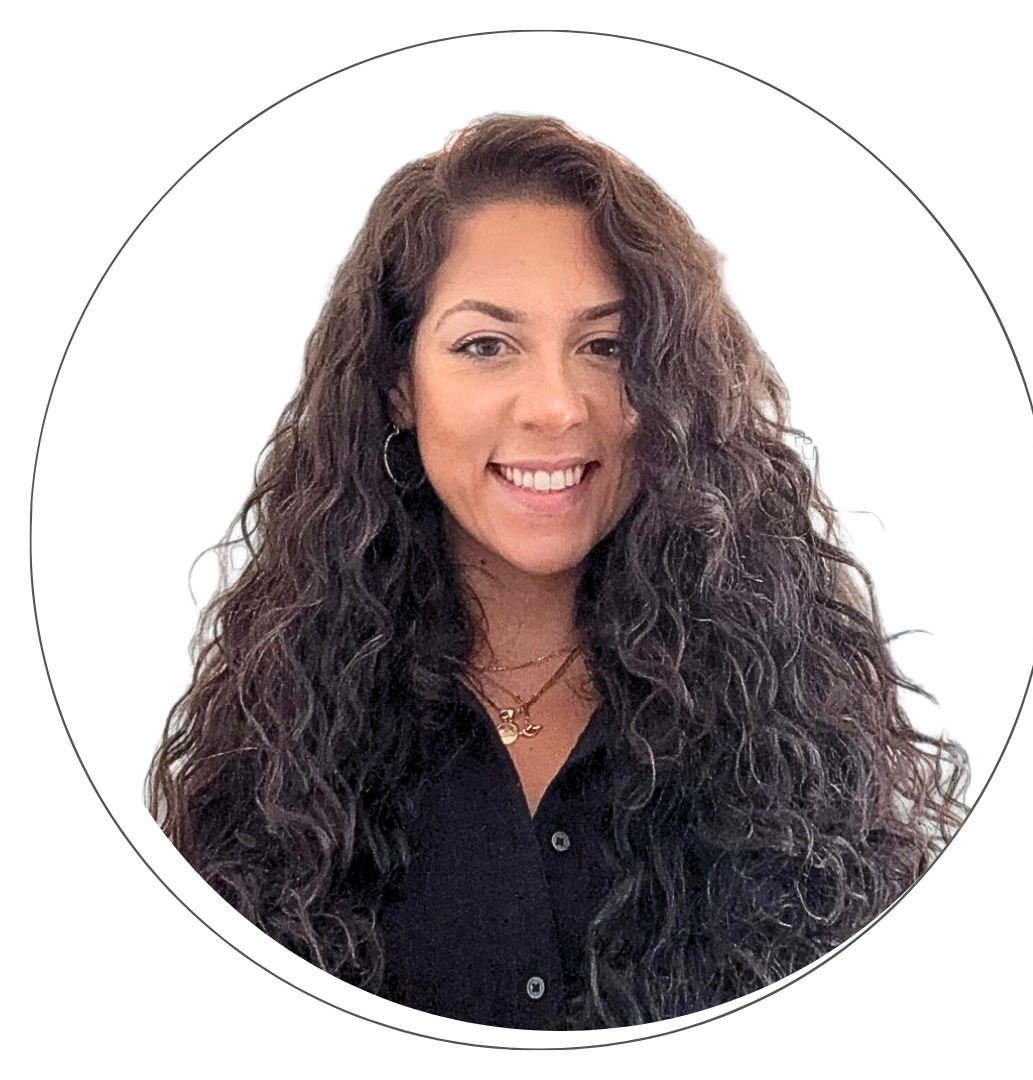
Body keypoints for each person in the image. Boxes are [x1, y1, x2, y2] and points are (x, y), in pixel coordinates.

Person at [146, 114, 969, 1030]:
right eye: (485, 345)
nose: (554, 405)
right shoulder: (279, 745)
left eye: (606, 347)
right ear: (395, 384)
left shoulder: (787, 729)